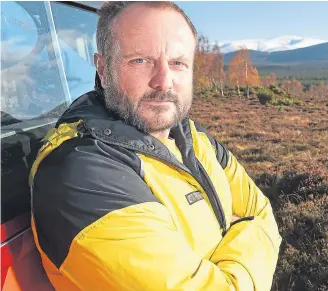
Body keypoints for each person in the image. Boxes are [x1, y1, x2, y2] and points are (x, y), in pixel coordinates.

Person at [28, 2, 282, 290]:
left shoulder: (195, 138)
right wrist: (246, 229)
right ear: (102, 68)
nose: (164, 82)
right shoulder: (81, 173)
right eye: (140, 60)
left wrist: (238, 242)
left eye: (178, 63)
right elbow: (259, 223)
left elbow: (262, 210)